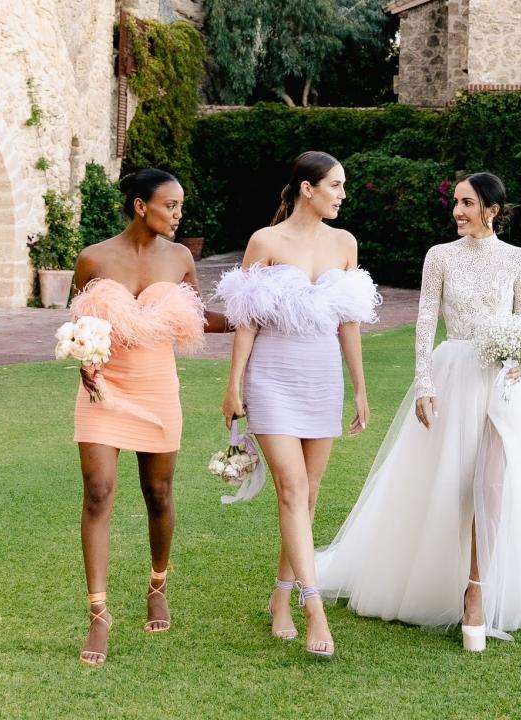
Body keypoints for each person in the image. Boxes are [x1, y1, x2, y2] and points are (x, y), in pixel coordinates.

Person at [315, 172, 521, 652]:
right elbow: (425, 321)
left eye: (467, 203)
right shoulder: (440, 256)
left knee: (491, 482)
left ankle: (477, 588)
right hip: (452, 375)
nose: (457, 211)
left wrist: (517, 360)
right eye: (455, 202)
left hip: (502, 385)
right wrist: (425, 385)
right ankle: (439, 576)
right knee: (452, 483)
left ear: (491, 209)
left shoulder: (519, 258)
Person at [215, 151, 379, 659]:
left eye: (343, 186)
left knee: (307, 500)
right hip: (271, 379)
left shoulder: (345, 243)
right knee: (291, 488)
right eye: (335, 185)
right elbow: (245, 321)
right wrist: (233, 384)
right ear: (307, 189)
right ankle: (314, 611)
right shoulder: (265, 242)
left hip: (323, 378)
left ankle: (280, 594)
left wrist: (360, 388)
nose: (342, 194)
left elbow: (349, 323)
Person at [72, 168, 230, 666]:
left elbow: (198, 316)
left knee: (157, 493)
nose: (180, 215)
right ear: (141, 206)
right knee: (98, 492)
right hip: (104, 391)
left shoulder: (181, 257)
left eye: (181, 206)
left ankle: (157, 583)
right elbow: (79, 327)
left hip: (158, 388)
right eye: (171, 206)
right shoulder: (93, 257)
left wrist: (258, 316)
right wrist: (86, 365)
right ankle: (99, 614)